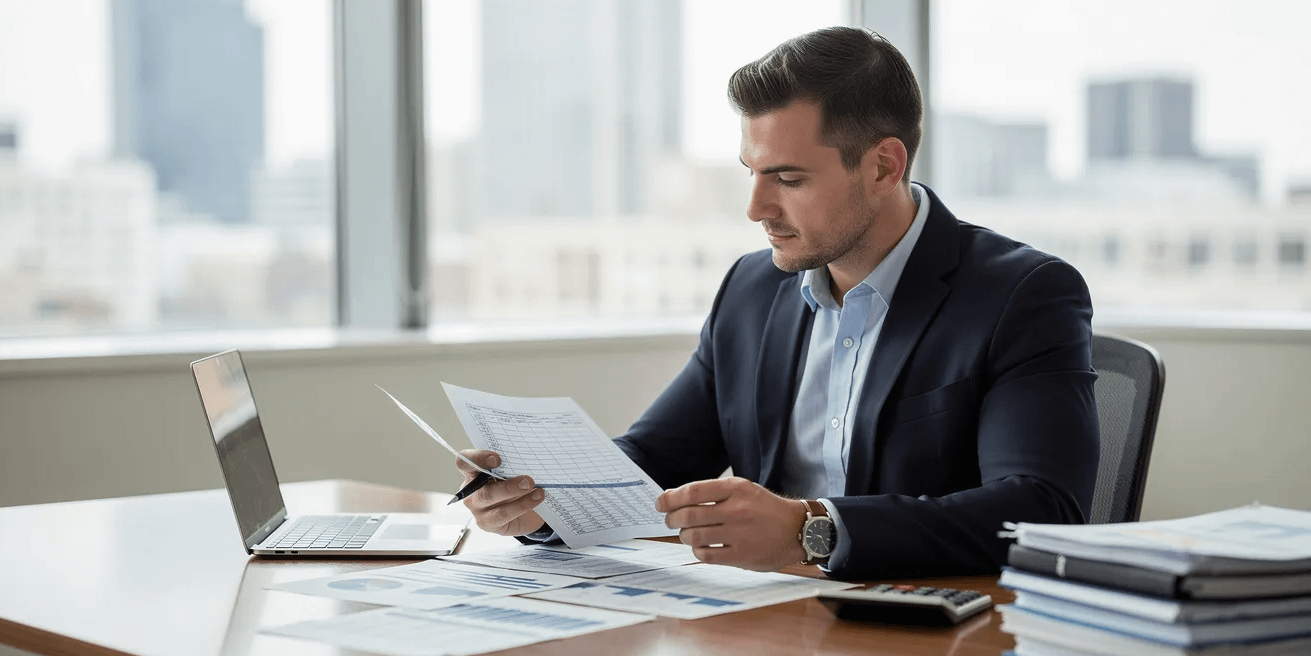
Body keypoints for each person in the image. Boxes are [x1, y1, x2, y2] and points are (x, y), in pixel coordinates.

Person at [455, 26, 1099, 580]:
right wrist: (547, 502)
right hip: (771, 632)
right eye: (752, 173)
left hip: (935, 646)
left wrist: (810, 528)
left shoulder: (1023, 294)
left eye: (788, 179)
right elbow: (656, 460)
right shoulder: (751, 289)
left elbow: (1041, 509)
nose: (757, 209)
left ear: (882, 167)